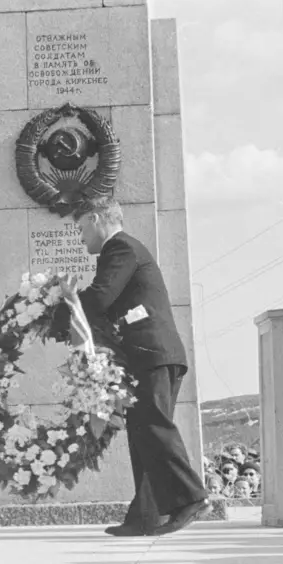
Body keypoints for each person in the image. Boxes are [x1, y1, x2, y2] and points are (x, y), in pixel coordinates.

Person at [58, 197, 210, 537]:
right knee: (143, 432)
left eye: (81, 228)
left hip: (153, 353)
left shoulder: (121, 249)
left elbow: (99, 298)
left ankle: (191, 497)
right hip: (145, 354)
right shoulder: (122, 250)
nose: (81, 238)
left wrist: (63, 304)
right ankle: (145, 516)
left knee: (153, 425)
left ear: (96, 219)